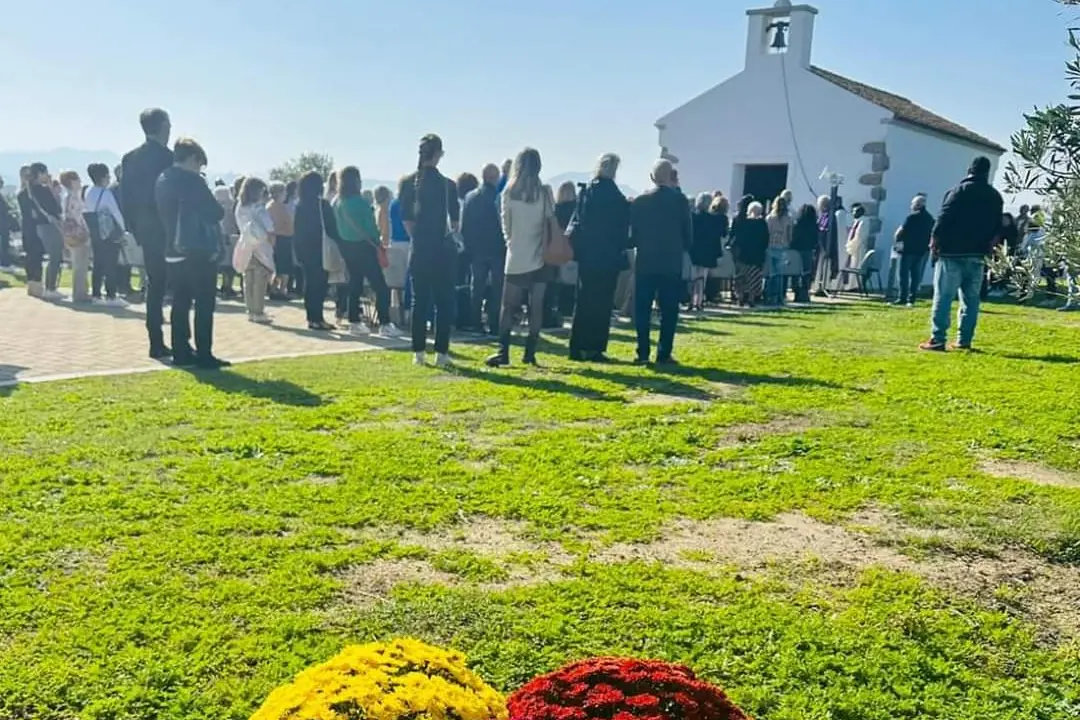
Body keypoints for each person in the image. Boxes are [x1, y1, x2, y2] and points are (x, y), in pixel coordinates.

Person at [155, 138, 228, 368]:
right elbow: (215, 213)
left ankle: (181, 350)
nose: (200, 169)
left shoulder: (163, 179)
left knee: (180, 301)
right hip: (197, 249)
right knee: (205, 302)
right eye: (200, 163)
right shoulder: (192, 181)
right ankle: (204, 353)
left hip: (171, 248)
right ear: (193, 159)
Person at [920, 156, 1004, 351]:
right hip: (978, 253)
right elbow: (997, 225)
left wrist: (935, 239)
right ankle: (964, 339)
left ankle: (938, 338)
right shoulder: (994, 196)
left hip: (952, 252)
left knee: (943, 297)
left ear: (969, 170)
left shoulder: (957, 191)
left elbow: (944, 217)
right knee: (971, 299)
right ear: (987, 172)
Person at [486, 148, 552, 367]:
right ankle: (530, 352)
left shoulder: (509, 192)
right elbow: (551, 220)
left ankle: (503, 350)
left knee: (508, 306)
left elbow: (506, 227)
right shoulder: (545, 192)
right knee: (537, 305)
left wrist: (512, 244)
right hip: (541, 253)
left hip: (517, 254)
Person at [398, 134, 459, 367]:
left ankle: (418, 352)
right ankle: (442, 352)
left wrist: (420, 237)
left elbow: (407, 221)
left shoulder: (407, 183)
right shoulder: (448, 186)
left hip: (420, 249)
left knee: (419, 301)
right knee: (443, 302)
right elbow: (455, 223)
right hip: (442, 250)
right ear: (439, 154)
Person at [121, 108, 174, 358]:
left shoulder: (130, 158)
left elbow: (126, 198)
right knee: (175, 283)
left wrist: (135, 228)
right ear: (163, 127)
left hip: (145, 228)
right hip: (168, 228)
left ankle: (156, 340)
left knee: (155, 283)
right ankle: (179, 340)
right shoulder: (169, 158)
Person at [629, 159, 692, 365]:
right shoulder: (680, 201)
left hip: (646, 261)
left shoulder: (640, 201)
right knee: (669, 311)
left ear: (652, 177)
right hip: (670, 262)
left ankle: (642, 352)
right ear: (670, 176)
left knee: (642, 310)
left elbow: (632, 235)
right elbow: (688, 235)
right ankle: (664, 353)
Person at [567, 153, 630, 362]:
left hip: (587, 253)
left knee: (583, 299)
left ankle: (576, 346)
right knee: (603, 302)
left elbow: (579, 221)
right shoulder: (617, 197)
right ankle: (595, 347)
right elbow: (622, 230)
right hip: (608, 255)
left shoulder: (586, 192)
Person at [333, 166, 403, 337]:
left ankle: (354, 321)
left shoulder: (338, 203)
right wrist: (377, 240)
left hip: (347, 247)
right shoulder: (361, 203)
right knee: (380, 286)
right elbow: (371, 228)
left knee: (354, 284)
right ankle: (385, 323)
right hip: (365, 247)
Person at [461, 163, 505, 335]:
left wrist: (469, 246)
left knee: (476, 287)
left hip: (477, 249)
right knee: (497, 288)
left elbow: (465, 225)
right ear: (495, 178)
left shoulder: (470, 197)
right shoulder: (498, 198)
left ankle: (476, 322)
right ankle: (494, 323)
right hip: (496, 249)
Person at [292, 171, 339, 331]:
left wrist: (297, 251)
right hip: (320, 248)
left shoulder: (300, 205)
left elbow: (296, 229)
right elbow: (332, 228)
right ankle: (318, 317)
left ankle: (312, 318)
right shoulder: (322, 205)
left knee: (309, 283)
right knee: (320, 284)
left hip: (305, 249)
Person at [85, 163, 130, 306]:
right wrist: (123, 229)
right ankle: (111, 295)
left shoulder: (88, 192)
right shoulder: (106, 193)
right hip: (108, 232)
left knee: (98, 263)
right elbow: (115, 212)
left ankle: (96, 294)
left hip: (94, 230)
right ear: (103, 177)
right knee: (111, 263)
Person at [233, 177, 276, 324]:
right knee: (260, 280)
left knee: (248, 279)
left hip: (245, 244)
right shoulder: (259, 208)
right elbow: (270, 229)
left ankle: (251, 310)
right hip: (261, 246)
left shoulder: (240, 207)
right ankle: (258, 311)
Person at [894, 194, 934, 307]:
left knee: (903, 275)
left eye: (912, 204)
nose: (911, 206)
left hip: (908, 250)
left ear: (917, 205)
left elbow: (900, 232)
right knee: (916, 276)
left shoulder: (911, 217)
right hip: (921, 251)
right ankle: (912, 298)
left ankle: (902, 297)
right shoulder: (930, 218)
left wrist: (897, 242)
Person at [58, 170, 92, 303]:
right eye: (77, 179)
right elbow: (79, 217)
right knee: (80, 264)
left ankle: (82, 291)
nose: (80, 181)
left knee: (79, 263)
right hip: (79, 233)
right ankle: (80, 293)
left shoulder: (66, 197)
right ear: (72, 182)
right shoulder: (73, 198)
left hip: (70, 233)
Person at [730, 196, 769, 307]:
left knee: (742, 277)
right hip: (757, 255)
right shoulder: (762, 224)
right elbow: (765, 239)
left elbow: (738, 238)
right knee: (754, 278)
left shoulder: (744, 223)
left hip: (743, 254)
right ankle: (752, 298)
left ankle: (741, 297)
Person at [16, 166, 46, 297]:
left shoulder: (32, 193)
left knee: (36, 255)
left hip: (34, 227)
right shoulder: (23, 193)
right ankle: (33, 283)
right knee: (32, 255)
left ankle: (36, 283)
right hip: (29, 227)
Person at [553, 181, 580, 321]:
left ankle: (560, 307)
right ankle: (569, 308)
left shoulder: (556, 209)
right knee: (572, 279)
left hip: (558, 247)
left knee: (559, 279)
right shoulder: (577, 209)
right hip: (573, 247)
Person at [267, 182, 294, 300]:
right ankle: (282, 289)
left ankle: (273, 288)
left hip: (273, 239)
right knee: (285, 267)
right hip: (283, 238)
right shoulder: (280, 207)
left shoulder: (268, 206)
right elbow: (288, 223)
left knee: (277, 266)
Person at [765, 196, 793, 305]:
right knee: (780, 274)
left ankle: (769, 295)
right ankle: (779, 297)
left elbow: (767, 233)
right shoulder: (788, 219)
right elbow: (789, 235)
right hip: (783, 246)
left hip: (771, 246)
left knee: (771, 273)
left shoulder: (770, 218)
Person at [790, 203, 818, 303]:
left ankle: (796, 292)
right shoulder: (814, 225)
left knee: (796, 273)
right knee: (806, 273)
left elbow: (793, 237)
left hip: (797, 250)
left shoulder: (798, 224)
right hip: (808, 250)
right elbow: (816, 239)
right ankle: (805, 292)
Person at [0, 175, 15, 274]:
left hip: (4, 223)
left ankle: (5, 262)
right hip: (2, 223)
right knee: (3, 244)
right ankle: (4, 263)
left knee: (5, 243)